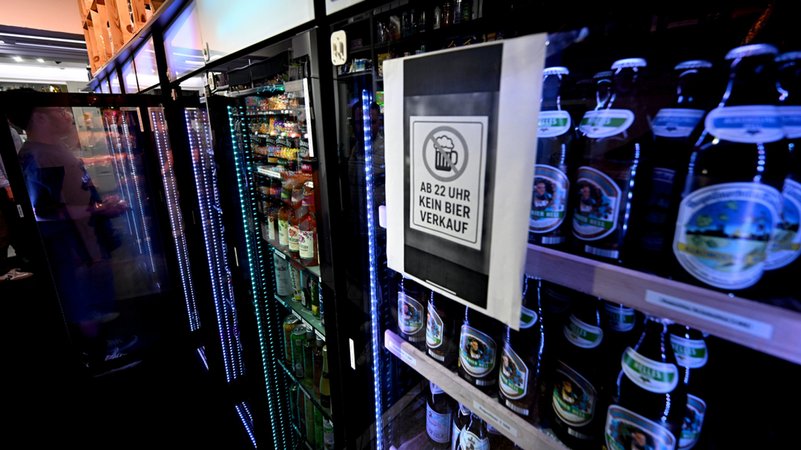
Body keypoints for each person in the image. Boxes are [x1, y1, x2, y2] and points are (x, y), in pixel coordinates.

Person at [8, 96, 138, 373]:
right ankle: (101, 359)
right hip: (73, 251)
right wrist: (99, 209)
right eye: (58, 110)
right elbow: (41, 210)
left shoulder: (48, 151)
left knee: (91, 304)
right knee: (83, 307)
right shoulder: (41, 156)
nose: (66, 114)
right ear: (39, 117)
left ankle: (104, 351)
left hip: (81, 247)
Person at [0, 126, 32, 282]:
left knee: (14, 226)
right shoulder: (8, 130)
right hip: (8, 185)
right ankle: (5, 270)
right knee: (9, 227)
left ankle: (24, 262)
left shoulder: (10, 129)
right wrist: (7, 185)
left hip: (12, 183)